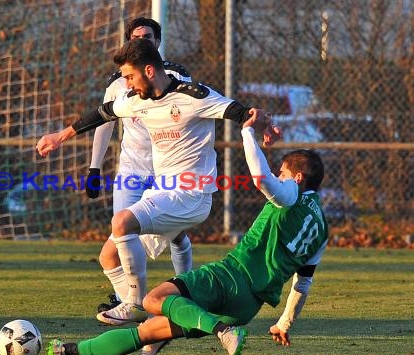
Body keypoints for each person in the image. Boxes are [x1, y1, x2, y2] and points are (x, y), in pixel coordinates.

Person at [43, 112, 329, 355]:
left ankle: (222, 331)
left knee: (153, 300)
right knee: (148, 331)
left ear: (298, 178)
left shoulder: (291, 193)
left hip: (230, 277)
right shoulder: (322, 230)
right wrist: (284, 324)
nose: (280, 177)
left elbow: (260, 178)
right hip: (247, 307)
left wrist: (247, 132)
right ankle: (68, 350)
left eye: (283, 173)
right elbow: (302, 283)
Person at [37, 38, 274, 327]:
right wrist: (58, 137)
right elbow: (103, 113)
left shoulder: (194, 96)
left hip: (192, 195)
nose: (127, 84)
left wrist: (264, 124)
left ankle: (136, 303)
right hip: (163, 192)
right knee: (108, 257)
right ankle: (156, 318)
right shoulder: (137, 100)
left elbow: (240, 113)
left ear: (149, 70)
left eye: (129, 76)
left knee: (122, 223)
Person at [89, 18, 194, 320]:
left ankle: (186, 289)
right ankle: (129, 300)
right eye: (136, 37)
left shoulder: (175, 76)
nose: (143, 41)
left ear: (157, 42)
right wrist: (94, 168)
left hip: (167, 172)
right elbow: (103, 121)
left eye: (148, 37)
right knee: (121, 236)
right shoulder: (118, 82)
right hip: (131, 172)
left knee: (175, 234)